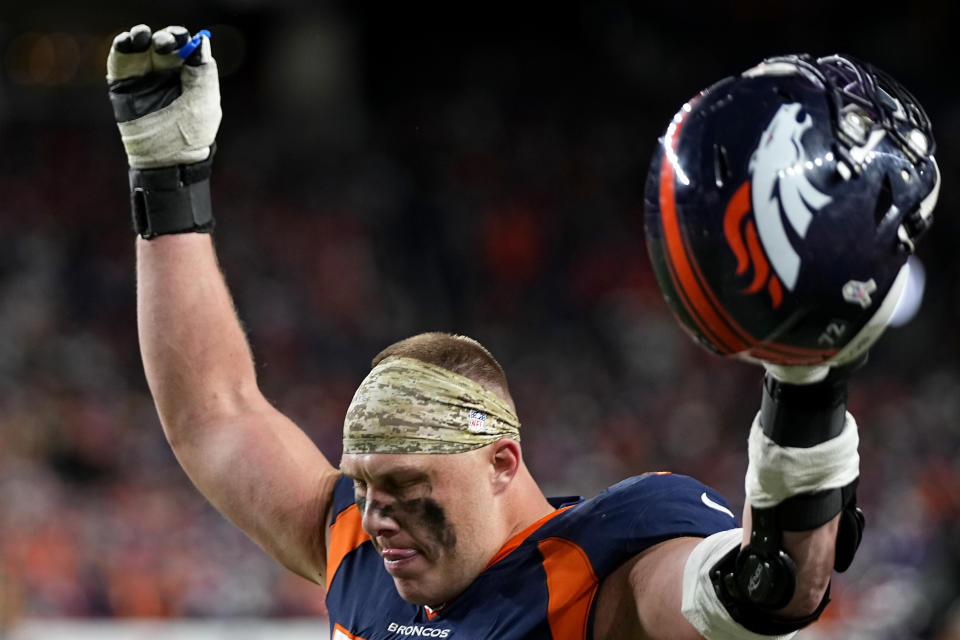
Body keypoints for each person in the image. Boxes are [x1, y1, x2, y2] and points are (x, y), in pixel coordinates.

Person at [106, 25, 939, 640]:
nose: (378, 514)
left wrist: (807, 379)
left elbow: (774, 587)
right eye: (366, 485)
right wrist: (166, 177)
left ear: (503, 460)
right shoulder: (360, 546)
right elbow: (214, 414)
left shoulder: (602, 572)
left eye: (404, 485)